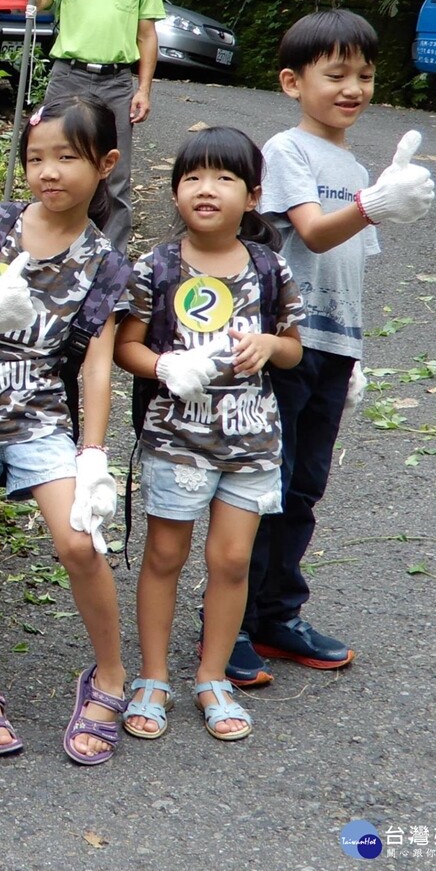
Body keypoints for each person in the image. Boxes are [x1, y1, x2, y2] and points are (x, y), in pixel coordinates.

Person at [0, 97, 133, 765]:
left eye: (67, 157)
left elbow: (97, 367)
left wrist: (93, 454)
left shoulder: (105, 260)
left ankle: (111, 677)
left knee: (77, 542)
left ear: (105, 164)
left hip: (41, 415)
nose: (49, 171)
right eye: (36, 157)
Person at [232, 10, 436, 685]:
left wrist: (356, 353)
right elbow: (316, 235)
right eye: (336, 74)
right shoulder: (287, 150)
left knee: (306, 487)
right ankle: (231, 622)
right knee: (267, 485)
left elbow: (350, 261)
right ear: (293, 82)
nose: (353, 87)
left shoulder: (352, 163)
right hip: (285, 345)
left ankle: (277, 615)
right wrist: (373, 203)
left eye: (366, 75)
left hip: (333, 347)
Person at [114, 127, 304, 744]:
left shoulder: (271, 267)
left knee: (229, 560)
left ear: (252, 196)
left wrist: (270, 345)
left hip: (250, 443)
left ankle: (213, 676)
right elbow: (127, 347)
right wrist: (165, 365)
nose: (206, 189)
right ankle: (151, 677)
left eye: (224, 179)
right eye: (193, 177)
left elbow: (295, 350)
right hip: (177, 440)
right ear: (175, 193)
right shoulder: (157, 267)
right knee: (165, 555)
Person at [25, 0, 165, 252]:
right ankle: (56, 247)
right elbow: (37, 1)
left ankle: (111, 262)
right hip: (67, 77)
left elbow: (147, 35)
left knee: (115, 174)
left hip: (117, 82)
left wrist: (144, 90)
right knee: (58, 161)